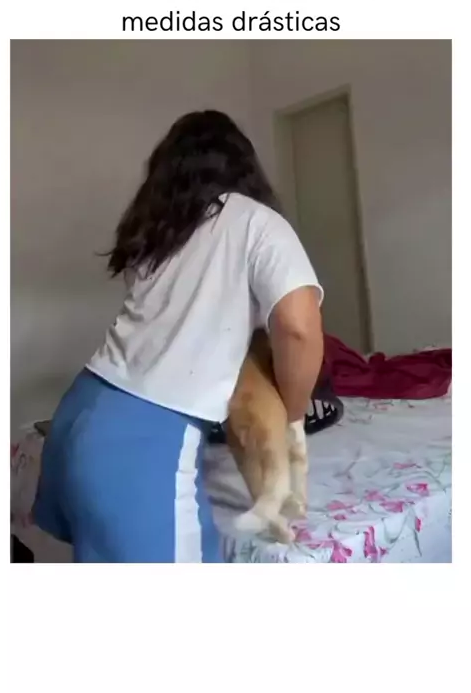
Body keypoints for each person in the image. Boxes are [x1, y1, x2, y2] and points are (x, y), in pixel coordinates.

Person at [33, 110, 324, 563]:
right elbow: (298, 327)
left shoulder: (162, 234)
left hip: (77, 413)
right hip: (138, 441)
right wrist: (293, 410)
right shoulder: (256, 221)